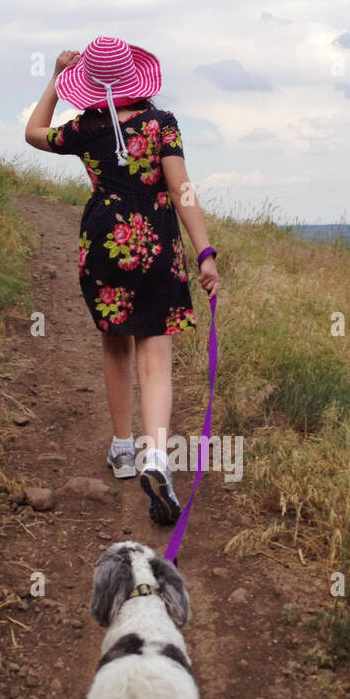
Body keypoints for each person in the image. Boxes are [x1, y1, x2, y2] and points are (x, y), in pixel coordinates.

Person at [25, 36, 219, 525]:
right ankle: (157, 455)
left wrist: (53, 76)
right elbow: (181, 188)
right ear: (138, 77)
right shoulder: (162, 124)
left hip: (103, 245)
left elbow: (33, 132)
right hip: (156, 243)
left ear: (87, 82)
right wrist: (205, 253)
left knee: (116, 345)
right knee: (156, 355)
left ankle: (121, 449)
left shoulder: (85, 128)